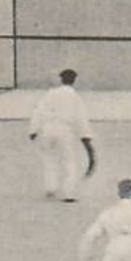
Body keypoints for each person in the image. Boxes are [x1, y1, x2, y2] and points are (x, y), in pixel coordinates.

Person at [28, 69, 97, 203]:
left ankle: (50, 187)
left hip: (47, 129)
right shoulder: (74, 96)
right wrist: (85, 136)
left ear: (60, 79)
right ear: (74, 80)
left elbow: (39, 110)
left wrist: (33, 129)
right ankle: (69, 193)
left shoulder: (51, 93)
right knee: (68, 160)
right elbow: (80, 118)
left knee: (49, 158)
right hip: (65, 130)